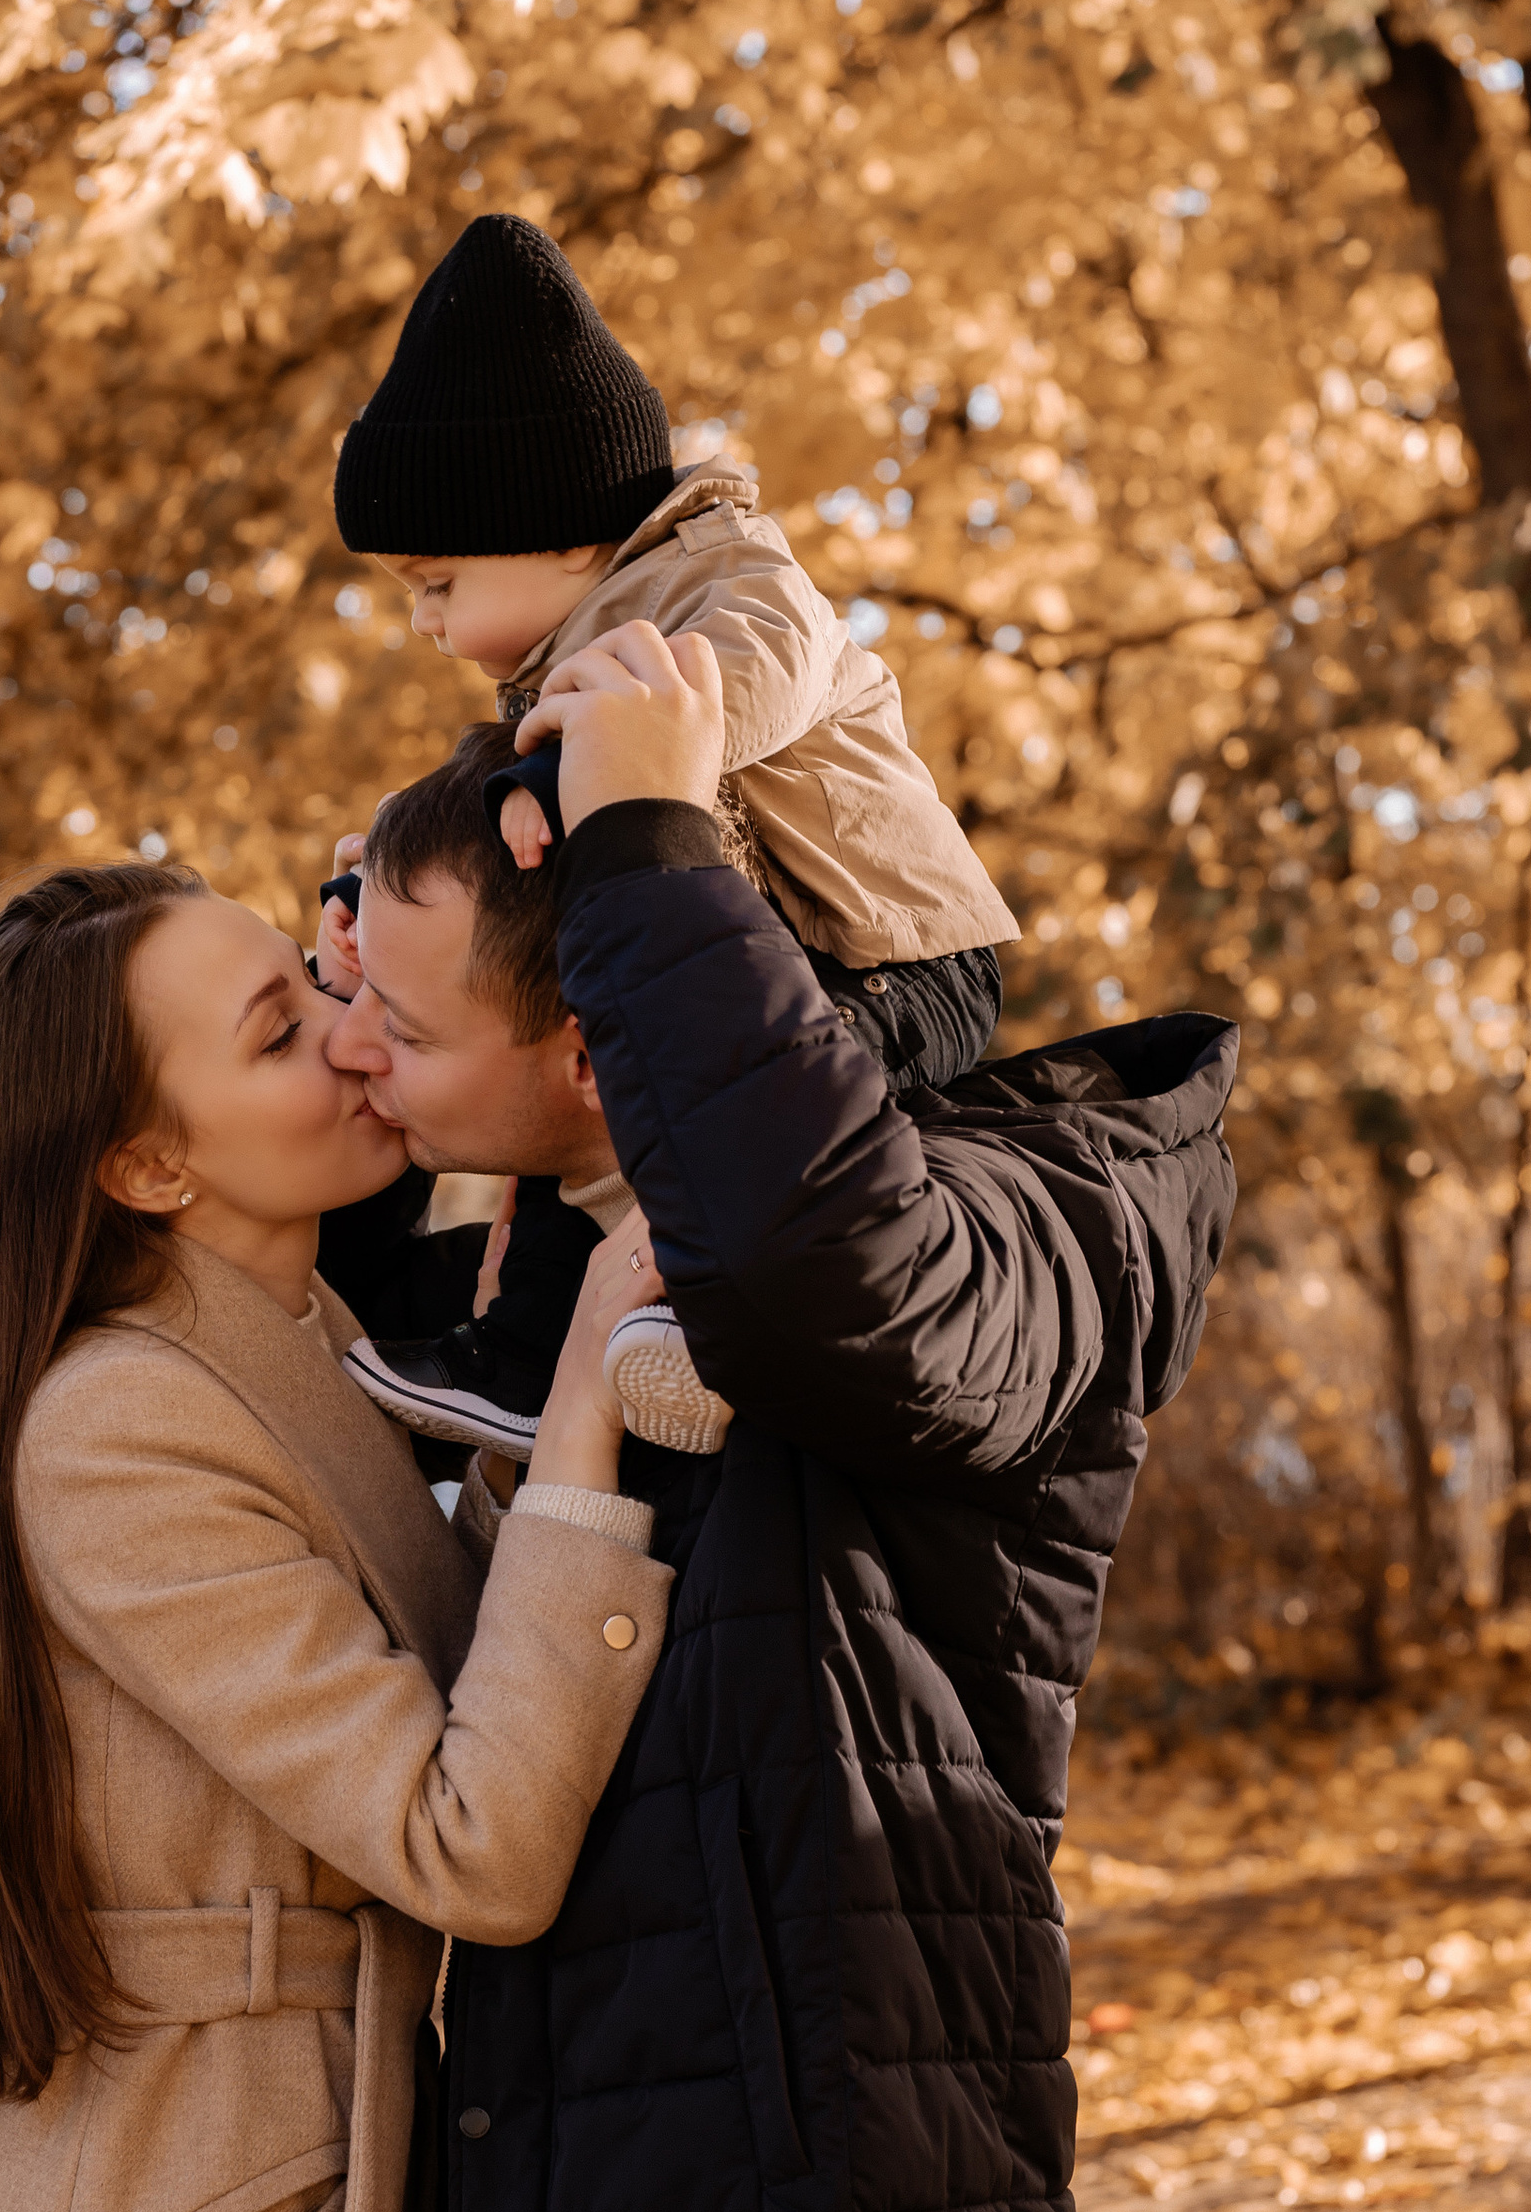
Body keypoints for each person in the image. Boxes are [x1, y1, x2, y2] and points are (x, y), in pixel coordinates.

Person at [318, 625, 1238, 2212]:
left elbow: (843, 1278)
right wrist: (380, 920)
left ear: (596, 1044)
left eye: (402, 1027)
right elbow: (323, 1259)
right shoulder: (584, 1258)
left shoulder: (1035, 1203)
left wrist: (648, 845)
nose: (360, 1050)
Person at [0, 860, 675, 2212]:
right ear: (145, 1162)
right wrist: (596, 1412)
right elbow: (469, 1842)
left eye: (323, 988)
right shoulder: (119, 1425)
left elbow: (450, 1655)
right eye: (280, 1034)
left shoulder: (293, 1348)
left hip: (275, 2203)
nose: (349, 1038)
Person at [324, 212, 1019, 1463]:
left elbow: (729, 694)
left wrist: (576, 762)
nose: (424, 623)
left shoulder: (733, 578)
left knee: (735, 1130)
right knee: (572, 1055)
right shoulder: (557, 668)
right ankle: (534, 1352)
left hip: (894, 959)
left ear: (554, 529)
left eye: (436, 584)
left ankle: (703, 1329)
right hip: (754, 949)